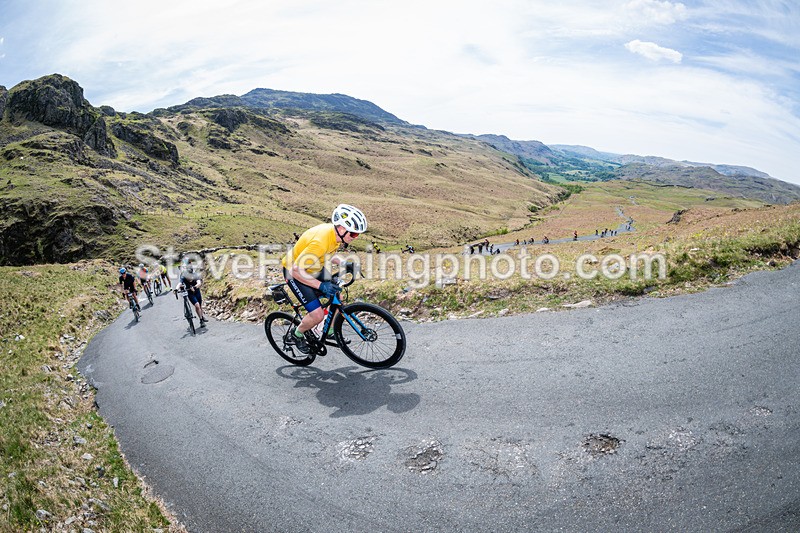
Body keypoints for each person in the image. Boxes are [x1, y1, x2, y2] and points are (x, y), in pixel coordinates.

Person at [281, 204, 366, 354]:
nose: (354, 238)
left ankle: (331, 330)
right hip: (294, 272)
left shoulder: (334, 236)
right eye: (353, 234)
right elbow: (296, 270)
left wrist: (345, 263)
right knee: (317, 315)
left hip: (313, 267)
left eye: (357, 235)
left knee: (336, 295)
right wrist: (321, 286)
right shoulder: (320, 242)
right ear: (341, 229)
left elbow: (329, 255)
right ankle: (296, 334)